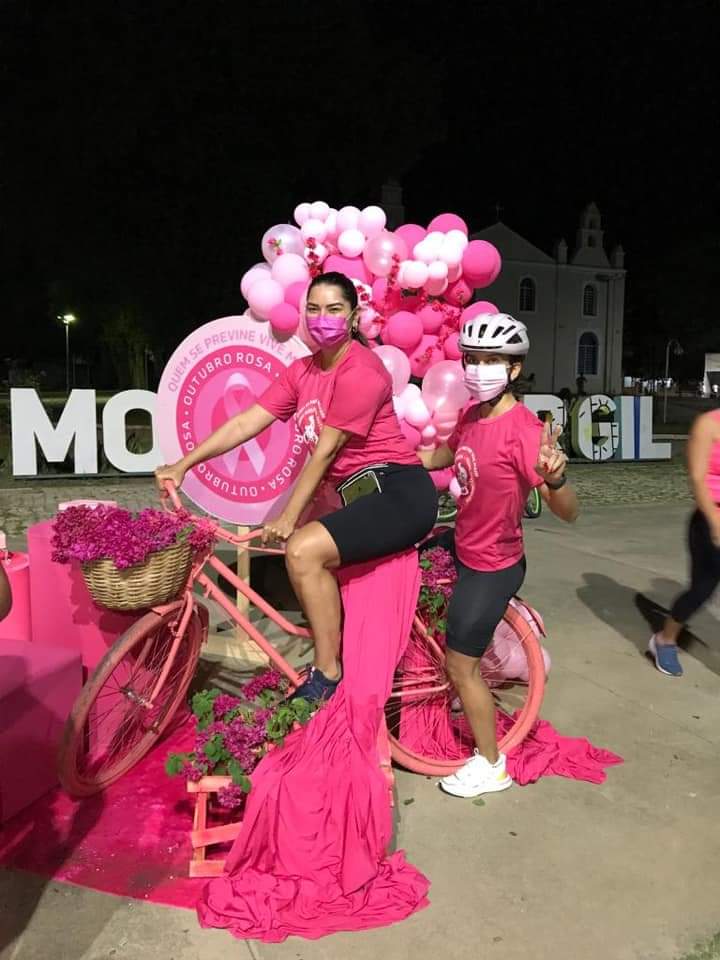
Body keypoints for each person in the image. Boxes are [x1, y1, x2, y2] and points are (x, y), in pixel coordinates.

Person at [155, 271, 437, 702]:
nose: (323, 318)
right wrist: (183, 465)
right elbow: (247, 420)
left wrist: (288, 518)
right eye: (314, 309)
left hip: (396, 491)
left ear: (354, 316)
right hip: (359, 493)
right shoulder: (302, 371)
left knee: (303, 551)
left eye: (334, 310)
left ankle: (328, 674)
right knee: (303, 562)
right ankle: (339, 651)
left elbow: (324, 451)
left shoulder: (361, 369)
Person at [419, 312, 579, 799]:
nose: (479, 368)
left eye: (492, 360)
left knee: (459, 666)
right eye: (473, 358)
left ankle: (491, 764)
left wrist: (555, 479)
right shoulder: (471, 415)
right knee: (402, 561)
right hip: (460, 542)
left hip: (493, 564)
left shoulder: (524, 430)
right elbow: (445, 456)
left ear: (513, 369)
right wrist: (398, 459)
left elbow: (569, 512)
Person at [649, 410, 720, 677]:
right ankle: (665, 640)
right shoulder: (708, 424)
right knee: (702, 589)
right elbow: (698, 478)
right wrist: (714, 520)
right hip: (709, 518)